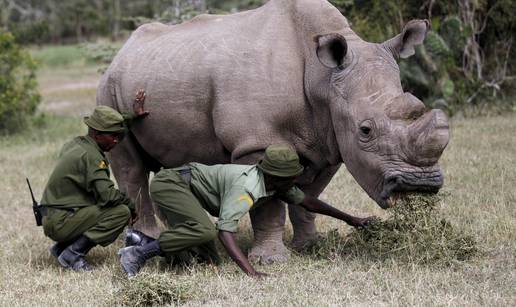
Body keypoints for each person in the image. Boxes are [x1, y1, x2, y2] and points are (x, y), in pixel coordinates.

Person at [118, 144, 373, 277]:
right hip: (172, 183)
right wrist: (250, 272)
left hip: (188, 187)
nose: (296, 180)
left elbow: (307, 201)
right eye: (292, 176)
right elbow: (224, 231)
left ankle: (139, 240)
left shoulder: (274, 184)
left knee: (208, 262)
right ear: (279, 177)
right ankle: (139, 254)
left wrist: (351, 219)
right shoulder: (248, 188)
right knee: (205, 231)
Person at [40, 90, 149, 271]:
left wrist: (132, 116)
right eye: (112, 136)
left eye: (118, 135)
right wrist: (130, 205)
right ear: (97, 134)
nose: (116, 140)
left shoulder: (77, 144)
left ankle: (61, 248)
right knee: (120, 212)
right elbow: (107, 196)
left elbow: (113, 126)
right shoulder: (92, 158)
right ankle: (72, 254)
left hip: (54, 216)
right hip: (62, 221)